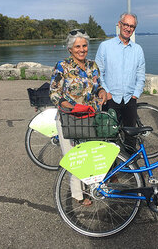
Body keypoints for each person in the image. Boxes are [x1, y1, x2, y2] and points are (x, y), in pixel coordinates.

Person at [49, 29, 107, 205]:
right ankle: (78, 194)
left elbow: (98, 86)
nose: (82, 50)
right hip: (68, 119)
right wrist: (72, 107)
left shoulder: (92, 66)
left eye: (84, 46)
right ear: (70, 49)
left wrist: (102, 91)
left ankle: (93, 188)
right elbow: (54, 93)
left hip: (89, 118)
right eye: (77, 47)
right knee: (75, 158)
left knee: (91, 155)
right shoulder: (62, 67)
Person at [95, 13, 146, 154]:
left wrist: (136, 94)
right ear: (119, 24)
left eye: (132, 26)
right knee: (109, 137)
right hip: (111, 98)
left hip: (130, 98)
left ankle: (131, 170)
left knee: (131, 137)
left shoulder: (138, 50)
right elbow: (98, 73)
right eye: (126, 24)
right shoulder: (105, 46)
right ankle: (112, 173)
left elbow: (140, 75)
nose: (128, 28)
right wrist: (106, 91)